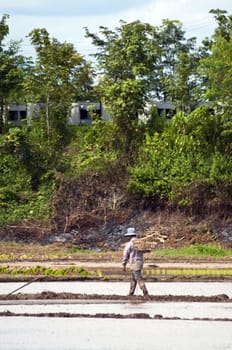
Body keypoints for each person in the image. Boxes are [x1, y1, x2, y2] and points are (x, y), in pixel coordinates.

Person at [122, 227, 149, 297]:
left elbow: (125, 254)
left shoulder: (130, 244)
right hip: (140, 262)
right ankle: (131, 293)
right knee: (133, 278)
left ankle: (145, 292)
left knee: (139, 278)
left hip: (134, 263)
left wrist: (124, 264)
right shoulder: (140, 243)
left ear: (129, 236)